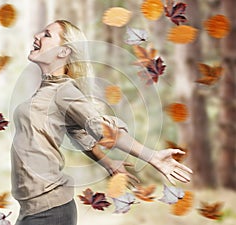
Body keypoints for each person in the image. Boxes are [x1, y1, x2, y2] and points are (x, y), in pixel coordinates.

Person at [11, 20, 193, 225]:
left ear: (63, 52)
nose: (37, 36)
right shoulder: (48, 90)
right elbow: (79, 133)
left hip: (49, 212)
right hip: (33, 210)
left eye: (47, 35)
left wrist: (152, 156)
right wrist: (108, 162)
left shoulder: (64, 91)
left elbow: (102, 128)